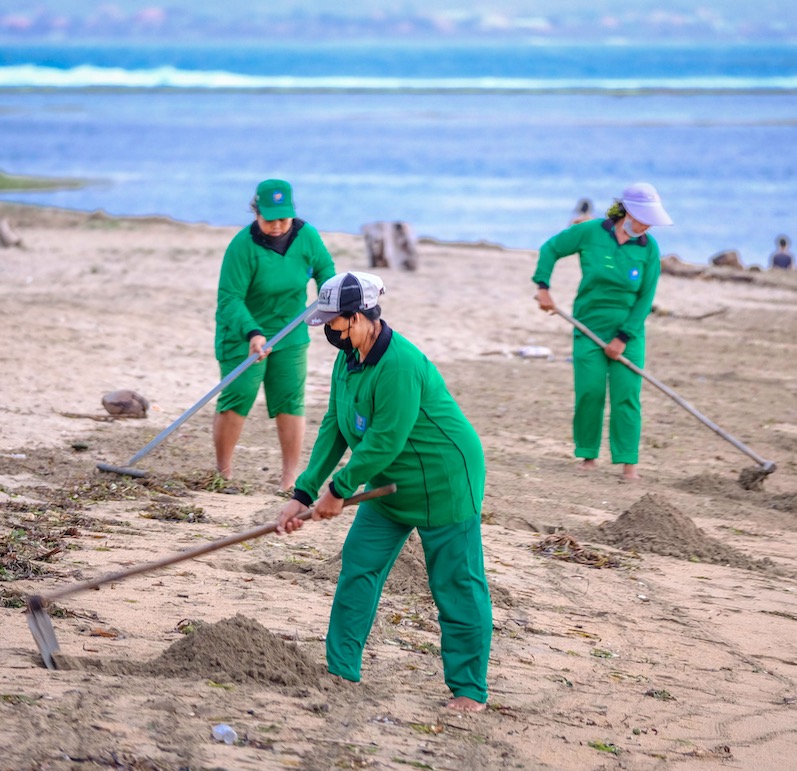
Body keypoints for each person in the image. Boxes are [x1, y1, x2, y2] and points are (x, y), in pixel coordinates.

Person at [276, 271, 492, 712]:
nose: (327, 332)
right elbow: (334, 426)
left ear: (357, 318)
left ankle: (469, 690)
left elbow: (385, 439)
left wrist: (338, 489)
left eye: (332, 323)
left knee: (456, 583)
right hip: (386, 483)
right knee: (359, 566)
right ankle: (340, 669)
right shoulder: (348, 359)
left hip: (445, 479)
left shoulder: (400, 364)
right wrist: (304, 491)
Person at [532, 182, 673, 481]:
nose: (648, 225)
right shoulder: (591, 232)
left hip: (629, 333)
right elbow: (551, 249)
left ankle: (627, 462)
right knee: (590, 391)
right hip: (588, 327)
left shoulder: (650, 249)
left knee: (626, 395)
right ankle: (587, 455)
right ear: (629, 212)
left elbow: (645, 299)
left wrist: (622, 338)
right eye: (644, 217)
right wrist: (543, 287)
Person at [213, 179, 336, 491]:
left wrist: (332, 302)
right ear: (257, 213)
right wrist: (252, 333)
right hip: (243, 333)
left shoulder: (307, 236)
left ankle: (289, 479)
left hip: (291, 332)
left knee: (290, 401)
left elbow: (325, 272)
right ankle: (223, 472)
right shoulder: (242, 246)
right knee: (238, 395)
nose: (278, 225)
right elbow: (229, 299)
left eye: (284, 218)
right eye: (270, 219)